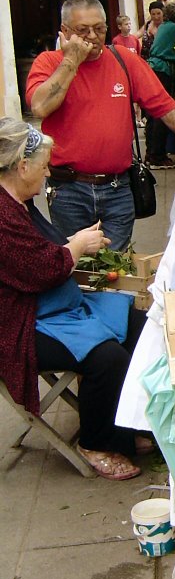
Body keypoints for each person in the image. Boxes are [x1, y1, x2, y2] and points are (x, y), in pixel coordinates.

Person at [0, 118, 150, 479]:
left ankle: (126, 423)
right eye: (42, 166)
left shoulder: (18, 201)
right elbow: (41, 269)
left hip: (54, 305)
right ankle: (96, 442)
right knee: (106, 358)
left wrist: (79, 247)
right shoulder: (3, 214)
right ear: (22, 167)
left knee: (140, 325)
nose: (48, 173)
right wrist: (79, 244)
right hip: (20, 323)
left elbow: (45, 258)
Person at [25, 0, 175, 250]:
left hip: (117, 188)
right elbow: (40, 106)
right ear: (65, 32)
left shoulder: (124, 59)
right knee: (79, 268)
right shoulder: (49, 63)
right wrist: (72, 60)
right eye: (83, 30)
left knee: (117, 267)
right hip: (68, 189)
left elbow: (165, 107)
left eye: (99, 28)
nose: (93, 36)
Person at [146, 0, 175, 168]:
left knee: (153, 113)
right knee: (163, 112)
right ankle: (157, 157)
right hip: (162, 70)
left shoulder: (164, 26)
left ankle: (152, 154)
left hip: (153, 68)